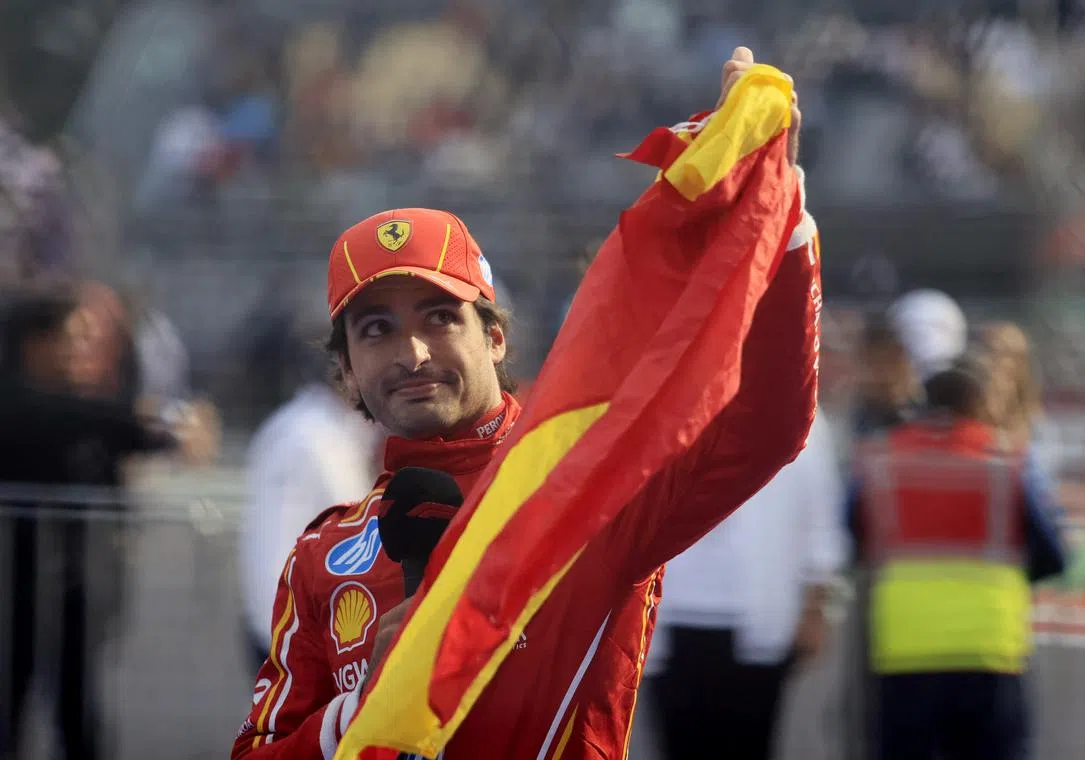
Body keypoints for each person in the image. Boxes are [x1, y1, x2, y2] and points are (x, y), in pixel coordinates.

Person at [232, 47, 819, 760]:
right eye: (376, 330)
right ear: (347, 369)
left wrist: (772, 200)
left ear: (497, 338)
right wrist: (362, 708)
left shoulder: (587, 491)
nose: (412, 353)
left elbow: (766, 427)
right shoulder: (322, 557)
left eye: (440, 318)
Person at [0, 287, 207, 760]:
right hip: (16, 593)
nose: (83, 349)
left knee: (77, 708)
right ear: (36, 343)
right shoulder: (23, 406)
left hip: (74, 593)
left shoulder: (87, 409)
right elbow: (59, 418)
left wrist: (172, 435)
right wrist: (152, 421)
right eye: (73, 337)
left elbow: (125, 437)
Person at [847, 355, 1066, 760]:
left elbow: (850, 538)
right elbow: (1053, 554)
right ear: (979, 404)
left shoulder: (879, 462)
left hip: (904, 647)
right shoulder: (1008, 462)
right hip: (990, 647)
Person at [646, 411, 846, 760]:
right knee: (678, 743)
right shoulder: (668, 404)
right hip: (673, 614)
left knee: (749, 742)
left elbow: (821, 525)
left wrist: (816, 609)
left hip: (761, 615)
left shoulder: (799, 414)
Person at [240, 319, 378, 673]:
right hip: (298, 644)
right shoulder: (304, 438)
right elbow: (271, 553)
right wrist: (286, 647)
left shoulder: (334, 432)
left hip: (320, 637)